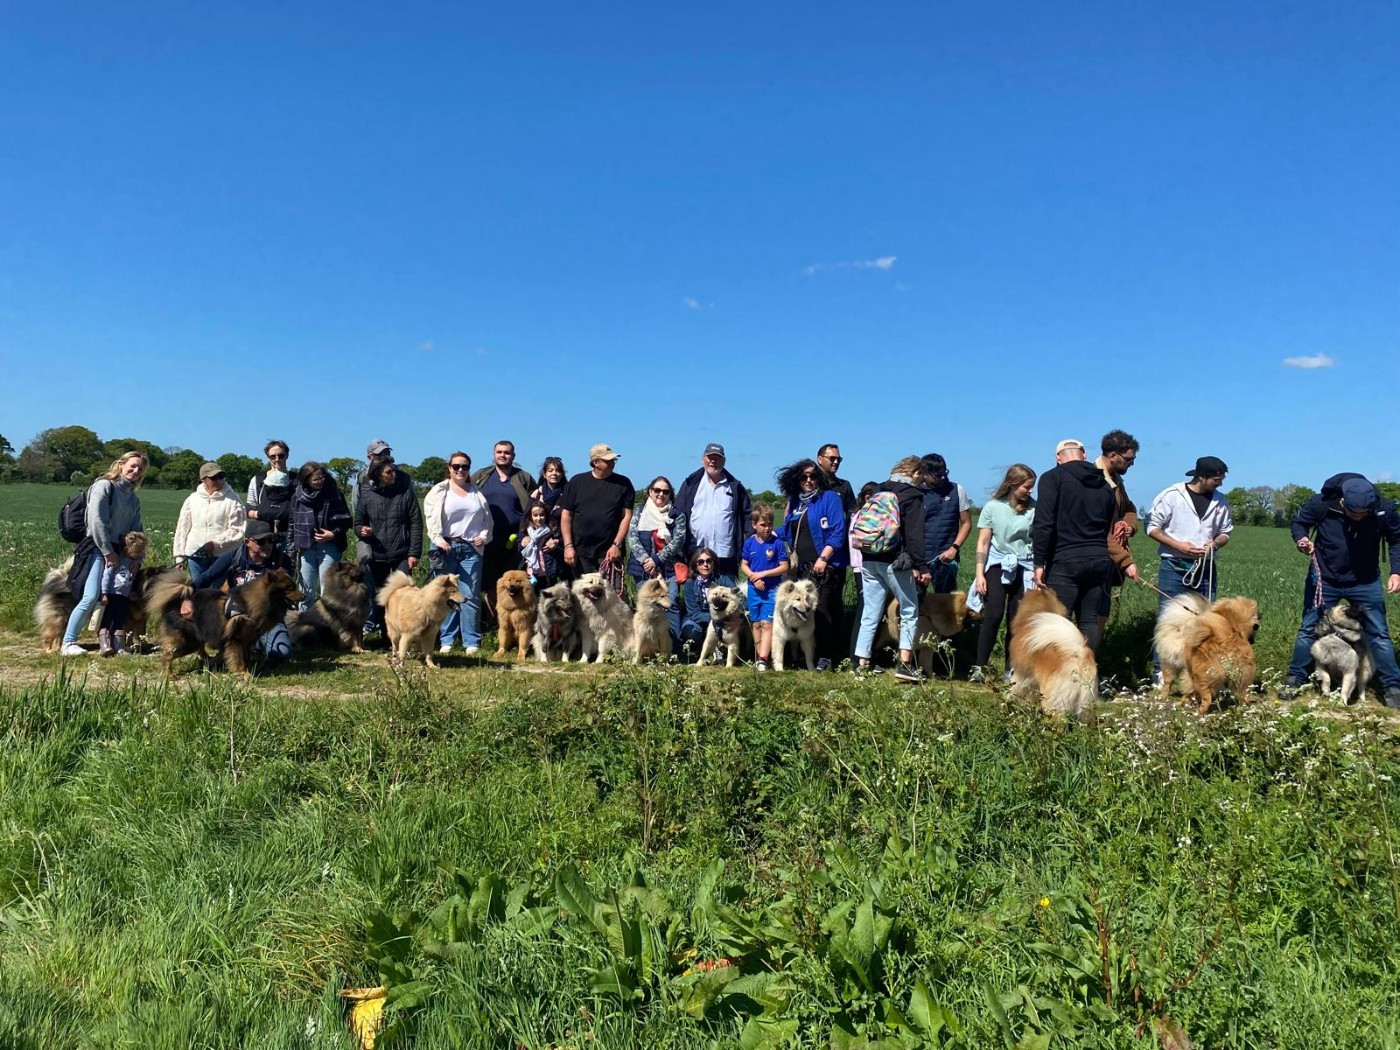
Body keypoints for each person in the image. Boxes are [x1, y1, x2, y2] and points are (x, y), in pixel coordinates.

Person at [1284, 474, 1400, 707]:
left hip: (1365, 580)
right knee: (1309, 629)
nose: (1358, 518)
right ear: (1343, 501)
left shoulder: (1384, 509)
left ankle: (1393, 687)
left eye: (1363, 514)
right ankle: (1294, 679)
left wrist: (1396, 571)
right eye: (1353, 513)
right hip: (1325, 578)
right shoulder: (1322, 503)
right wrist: (1302, 539)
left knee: (1378, 633)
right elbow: (1299, 523)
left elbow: (1396, 539)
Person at [1032, 444, 1138, 652]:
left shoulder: (1051, 478)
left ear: (1058, 457)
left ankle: (1058, 674)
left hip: (1065, 560)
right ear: (1084, 455)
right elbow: (1108, 525)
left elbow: (1044, 523)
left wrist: (1039, 562)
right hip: (1099, 560)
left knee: (1058, 621)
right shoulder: (1104, 483)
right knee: (1089, 621)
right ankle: (1087, 675)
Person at [1145, 456, 1234, 676]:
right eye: (1216, 479)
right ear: (1201, 477)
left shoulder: (1220, 501)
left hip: (1205, 567)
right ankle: (1162, 672)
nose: (1220, 483)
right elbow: (1153, 528)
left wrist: (1215, 543)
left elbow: (1225, 532)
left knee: (1204, 619)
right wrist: (1178, 546)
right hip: (1174, 565)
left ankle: (1198, 670)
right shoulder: (1171, 496)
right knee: (1169, 621)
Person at [61, 451, 148, 656]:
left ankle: (112, 642)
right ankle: (68, 642)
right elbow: (96, 522)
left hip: (121, 553)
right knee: (91, 596)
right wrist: (108, 553)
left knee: (115, 597)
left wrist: (138, 558)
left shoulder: (133, 499)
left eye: (141, 470)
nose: (136, 471)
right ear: (121, 464)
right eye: (133, 466)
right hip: (97, 549)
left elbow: (137, 532)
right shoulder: (103, 486)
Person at [853, 456, 931, 683]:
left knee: (871, 611)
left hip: (868, 557)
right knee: (909, 610)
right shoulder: (912, 495)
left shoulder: (879, 489)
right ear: (916, 473)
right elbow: (915, 536)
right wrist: (921, 565)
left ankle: (861, 664)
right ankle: (904, 664)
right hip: (895, 561)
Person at [191, 518, 296, 663]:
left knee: (282, 654)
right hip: (237, 618)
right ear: (248, 542)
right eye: (261, 541)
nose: (268, 545)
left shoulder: (280, 560)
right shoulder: (234, 557)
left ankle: (253, 645)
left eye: (271, 540)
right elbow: (206, 578)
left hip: (268, 619)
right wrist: (186, 599)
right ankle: (241, 647)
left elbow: (287, 594)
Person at [777, 458, 848, 671]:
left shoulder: (830, 498)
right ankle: (808, 655)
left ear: (819, 478)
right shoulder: (796, 502)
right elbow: (785, 531)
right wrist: (764, 534)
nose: (808, 481)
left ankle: (827, 656)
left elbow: (838, 531)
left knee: (822, 610)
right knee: (806, 612)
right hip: (803, 567)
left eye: (813, 476)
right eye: (803, 477)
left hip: (826, 566)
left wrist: (824, 558)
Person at [971, 464, 1037, 682]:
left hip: (1024, 566)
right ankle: (979, 667)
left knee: (1016, 620)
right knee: (993, 615)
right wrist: (980, 573)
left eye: (1032, 487)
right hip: (998, 565)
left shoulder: (1035, 509)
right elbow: (983, 541)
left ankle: (1011, 669)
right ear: (1013, 484)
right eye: (1027, 487)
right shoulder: (992, 507)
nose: (1030, 491)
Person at [424, 452, 492, 655]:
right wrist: (438, 540)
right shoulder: (438, 491)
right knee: (445, 595)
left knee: (470, 595)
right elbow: (431, 518)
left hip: (471, 548)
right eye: (456, 466)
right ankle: (446, 639)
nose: (460, 470)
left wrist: (484, 536)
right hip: (445, 547)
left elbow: (487, 520)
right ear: (449, 468)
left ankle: (471, 640)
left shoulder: (476, 492)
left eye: (465, 467)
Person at [353, 458, 423, 639]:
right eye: (389, 472)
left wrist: (414, 553)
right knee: (380, 596)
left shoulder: (405, 493)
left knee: (402, 596)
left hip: (402, 553)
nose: (394, 474)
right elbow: (358, 523)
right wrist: (362, 530)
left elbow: (416, 522)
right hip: (377, 554)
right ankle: (385, 637)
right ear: (379, 475)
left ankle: (405, 637)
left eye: (394, 470)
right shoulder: (367, 495)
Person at [473, 440, 537, 620]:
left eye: (507, 453)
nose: (503, 455)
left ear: (513, 456)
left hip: (516, 540)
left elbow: (535, 504)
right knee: (490, 583)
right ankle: (494, 622)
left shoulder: (523, 477)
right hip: (487, 538)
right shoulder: (481, 476)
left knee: (515, 582)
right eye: (499, 452)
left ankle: (517, 621)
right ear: (494, 454)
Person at [675, 443, 753, 579]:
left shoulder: (735, 486)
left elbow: (747, 515)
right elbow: (678, 514)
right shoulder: (690, 484)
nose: (713, 461)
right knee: (698, 596)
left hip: (726, 554)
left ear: (724, 461)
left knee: (726, 597)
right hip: (697, 553)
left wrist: (752, 541)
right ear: (703, 459)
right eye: (710, 457)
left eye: (717, 458)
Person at [559, 444, 635, 583]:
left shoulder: (624, 484)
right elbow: (566, 516)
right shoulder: (577, 482)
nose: (612, 463)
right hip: (580, 551)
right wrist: (568, 546)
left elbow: (627, 516)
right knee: (585, 595)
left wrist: (616, 545)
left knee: (611, 597)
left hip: (609, 552)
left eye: (613, 460)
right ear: (596, 462)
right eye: (608, 460)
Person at [627, 475, 687, 648]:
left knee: (671, 605)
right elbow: (632, 537)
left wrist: (657, 559)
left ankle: (673, 648)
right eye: (657, 490)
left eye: (665, 491)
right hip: (642, 569)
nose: (661, 494)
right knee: (646, 610)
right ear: (650, 492)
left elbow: (678, 541)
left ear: (670, 494)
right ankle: (646, 649)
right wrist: (647, 561)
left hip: (668, 570)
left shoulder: (677, 515)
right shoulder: (639, 512)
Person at [1094, 429, 1141, 629]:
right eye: (1129, 459)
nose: (1132, 464)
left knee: (1101, 612)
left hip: (1109, 557)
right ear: (1113, 456)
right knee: (1091, 614)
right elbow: (1099, 529)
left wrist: (1128, 526)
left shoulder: (1117, 480)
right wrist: (1125, 561)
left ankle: (1092, 655)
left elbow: (1129, 508)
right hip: (1093, 556)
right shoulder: (1093, 481)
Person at [290, 461, 352, 610]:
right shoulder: (297, 496)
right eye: (316, 479)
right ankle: (304, 624)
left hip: (330, 546)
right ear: (306, 479)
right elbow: (292, 523)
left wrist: (332, 534)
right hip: (305, 547)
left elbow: (346, 521)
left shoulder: (334, 494)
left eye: (322, 477)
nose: (320, 481)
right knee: (306, 591)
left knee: (328, 589)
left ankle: (328, 625)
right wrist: (291, 548)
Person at [173, 462, 247, 582]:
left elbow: (237, 529)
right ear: (203, 479)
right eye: (213, 478)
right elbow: (182, 529)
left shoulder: (233, 499)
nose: (218, 480)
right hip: (195, 555)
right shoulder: (192, 499)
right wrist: (179, 557)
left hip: (223, 555)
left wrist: (215, 543)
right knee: (198, 590)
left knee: (215, 595)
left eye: (221, 477)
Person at [353, 439, 395, 631]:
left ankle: (386, 622)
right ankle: (369, 623)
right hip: (368, 538)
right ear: (369, 457)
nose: (383, 456)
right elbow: (357, 506)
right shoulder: (362, 478)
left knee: (388, 584)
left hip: (391, 538)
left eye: (386, 452)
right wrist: (363, 527)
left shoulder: (395, 475)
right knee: (368, 582)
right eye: (379, 454)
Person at [742, 505, 788, 672]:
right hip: (754, 589)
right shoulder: (749, 543)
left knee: (767, 623)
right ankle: (758, 654)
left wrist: (764, 574)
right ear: (754, 525)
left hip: (771, 589)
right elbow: (744, 565)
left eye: (769, 524)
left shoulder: (777, 543)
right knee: (755, 624)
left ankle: (763, 658)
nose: (767, 528)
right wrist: (754, 578)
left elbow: (784, 567)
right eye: (763, 525)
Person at [920, 453, 972, 593]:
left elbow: (966, 523)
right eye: (937, 475)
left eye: (945, 473)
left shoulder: (957, 490)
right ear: (925, 474)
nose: (943, 477)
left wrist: (954, 548)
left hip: (946, 556)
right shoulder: (916, 493)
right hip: (920, 558)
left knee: (946, 602)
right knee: (916, 603)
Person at [99, 531, 147, 656]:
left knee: (120, 620)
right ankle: (105, 645)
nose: (139, 555)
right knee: (107, 620)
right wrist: (103, 593)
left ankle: (119, 646)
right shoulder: (116, 560)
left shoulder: (133, 564)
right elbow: (106, 576)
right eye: (137, 552)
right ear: (127, 549)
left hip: (123, 598)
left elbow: (128, 581)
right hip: (111, 595)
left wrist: (130, 593)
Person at [246, 439, 295, 553]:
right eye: (273, 456)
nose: (277, 459)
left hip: (290, 535)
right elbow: (249, 507)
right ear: (268, 457)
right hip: (263, 538)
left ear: (287, 456)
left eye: (281, 455)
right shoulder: (258, 480)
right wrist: (262, 513)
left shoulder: (295, 480)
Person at [680, 548, 721, 658]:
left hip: (721, 620)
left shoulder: (722, 580)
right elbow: (693, 612)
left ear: (714, 563)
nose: (705, 565)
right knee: (690, 629)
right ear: (695, 565)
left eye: (709, 561)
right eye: (701, 562)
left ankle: (720, 651)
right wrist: (714, 618)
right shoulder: (689, 584)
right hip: (697, 619)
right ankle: (699, 650)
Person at [520, 501, 562, 589]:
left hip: (548, 572)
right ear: (531, 516)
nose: (539, 518)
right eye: (535, 515)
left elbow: (562, 550)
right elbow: (520, 551)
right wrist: (521, 544)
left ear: (546, 515)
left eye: (541, 515)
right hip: (531, 571)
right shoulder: (526, 532)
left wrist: (555, 546)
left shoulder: (552, 531)